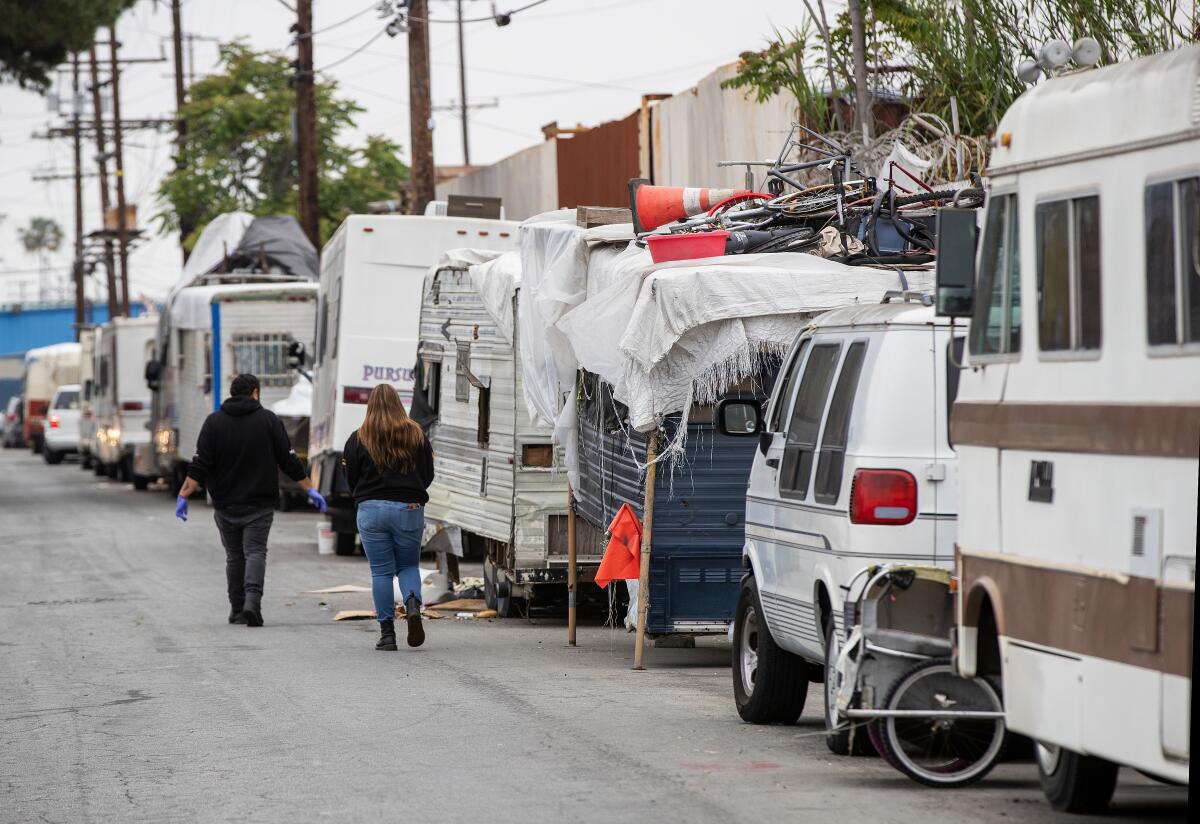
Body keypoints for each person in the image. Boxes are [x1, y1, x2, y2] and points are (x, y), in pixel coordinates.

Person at [176, 373, 326, 627]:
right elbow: (288, 461)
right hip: (260, 503)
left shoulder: (214, 423)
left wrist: (183, 495)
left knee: (235, 557)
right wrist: (309, 489)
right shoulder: (268, 420)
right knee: (255, 552)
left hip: (225, 505)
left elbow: (199, 465)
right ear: (255, 392)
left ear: (233, 393)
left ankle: (236, 609)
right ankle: (252, 603)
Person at [342, 383, 434, 651]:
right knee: (407, 566)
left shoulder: (358, 437)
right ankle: (413, 603)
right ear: (398, 403)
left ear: (370, 405)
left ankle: (387, 634)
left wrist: (364, 496)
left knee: (381, 572)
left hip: (371, 509)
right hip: (409, 508)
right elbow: (427, 474)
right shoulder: (416, 434)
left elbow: (351, 479)